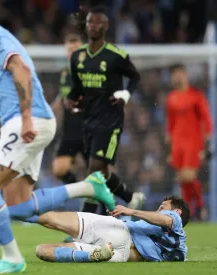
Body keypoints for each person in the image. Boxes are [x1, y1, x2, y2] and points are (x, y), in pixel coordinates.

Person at [0, 1, 115, 273]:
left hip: (26, 122)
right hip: (27, 122)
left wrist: (26, 117)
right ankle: (89, 187)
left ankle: (13, 259)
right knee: (17, 207)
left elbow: (22, 70)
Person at [67, 6, 145, 214]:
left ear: (105, 26)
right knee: (100, 172)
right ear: (86, 25)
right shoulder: (77, 57)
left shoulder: (115, 55)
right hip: (88, 120)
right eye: (90, 22)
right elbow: (77, 88)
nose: (93, 26)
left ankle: (86, 222)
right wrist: (71, 100)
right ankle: (130, 197)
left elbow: (135, 76)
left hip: (110, 121)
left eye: (98, 23)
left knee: (93, 171)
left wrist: (125, 95)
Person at [34, 196, 189, 263]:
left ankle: (17, 209)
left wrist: (132, 211)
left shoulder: (174, 219)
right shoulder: (180, 253)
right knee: (42, 250)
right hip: (121, 255)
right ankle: (91, 256)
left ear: (177, 212)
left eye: (162, 207)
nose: (158, 211)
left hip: (117, 231)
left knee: (52, 219)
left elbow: (167, 220)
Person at [166, 64, 213, 220]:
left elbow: (206, 119)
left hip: (193, 142)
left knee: (188, 176)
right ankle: (190, 212)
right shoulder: (171, 98)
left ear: (185, 75)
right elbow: (171, 124)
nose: (177, 77)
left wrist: (208, 138)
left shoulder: (196, 96)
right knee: (182, 179)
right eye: (174, 75)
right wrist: (170, 146)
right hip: (177, 144)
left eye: (179, 74)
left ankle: (199, 205)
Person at [51, 33, 87, 185]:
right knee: (59, 169)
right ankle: (78, 189)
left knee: (98, 175)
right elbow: (62, 96)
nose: (72, 53)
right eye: (69, 49)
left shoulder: (91, 72)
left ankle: (110, 206)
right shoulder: (66, 72)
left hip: (88, 131)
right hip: (70, 132)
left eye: (75, 49)